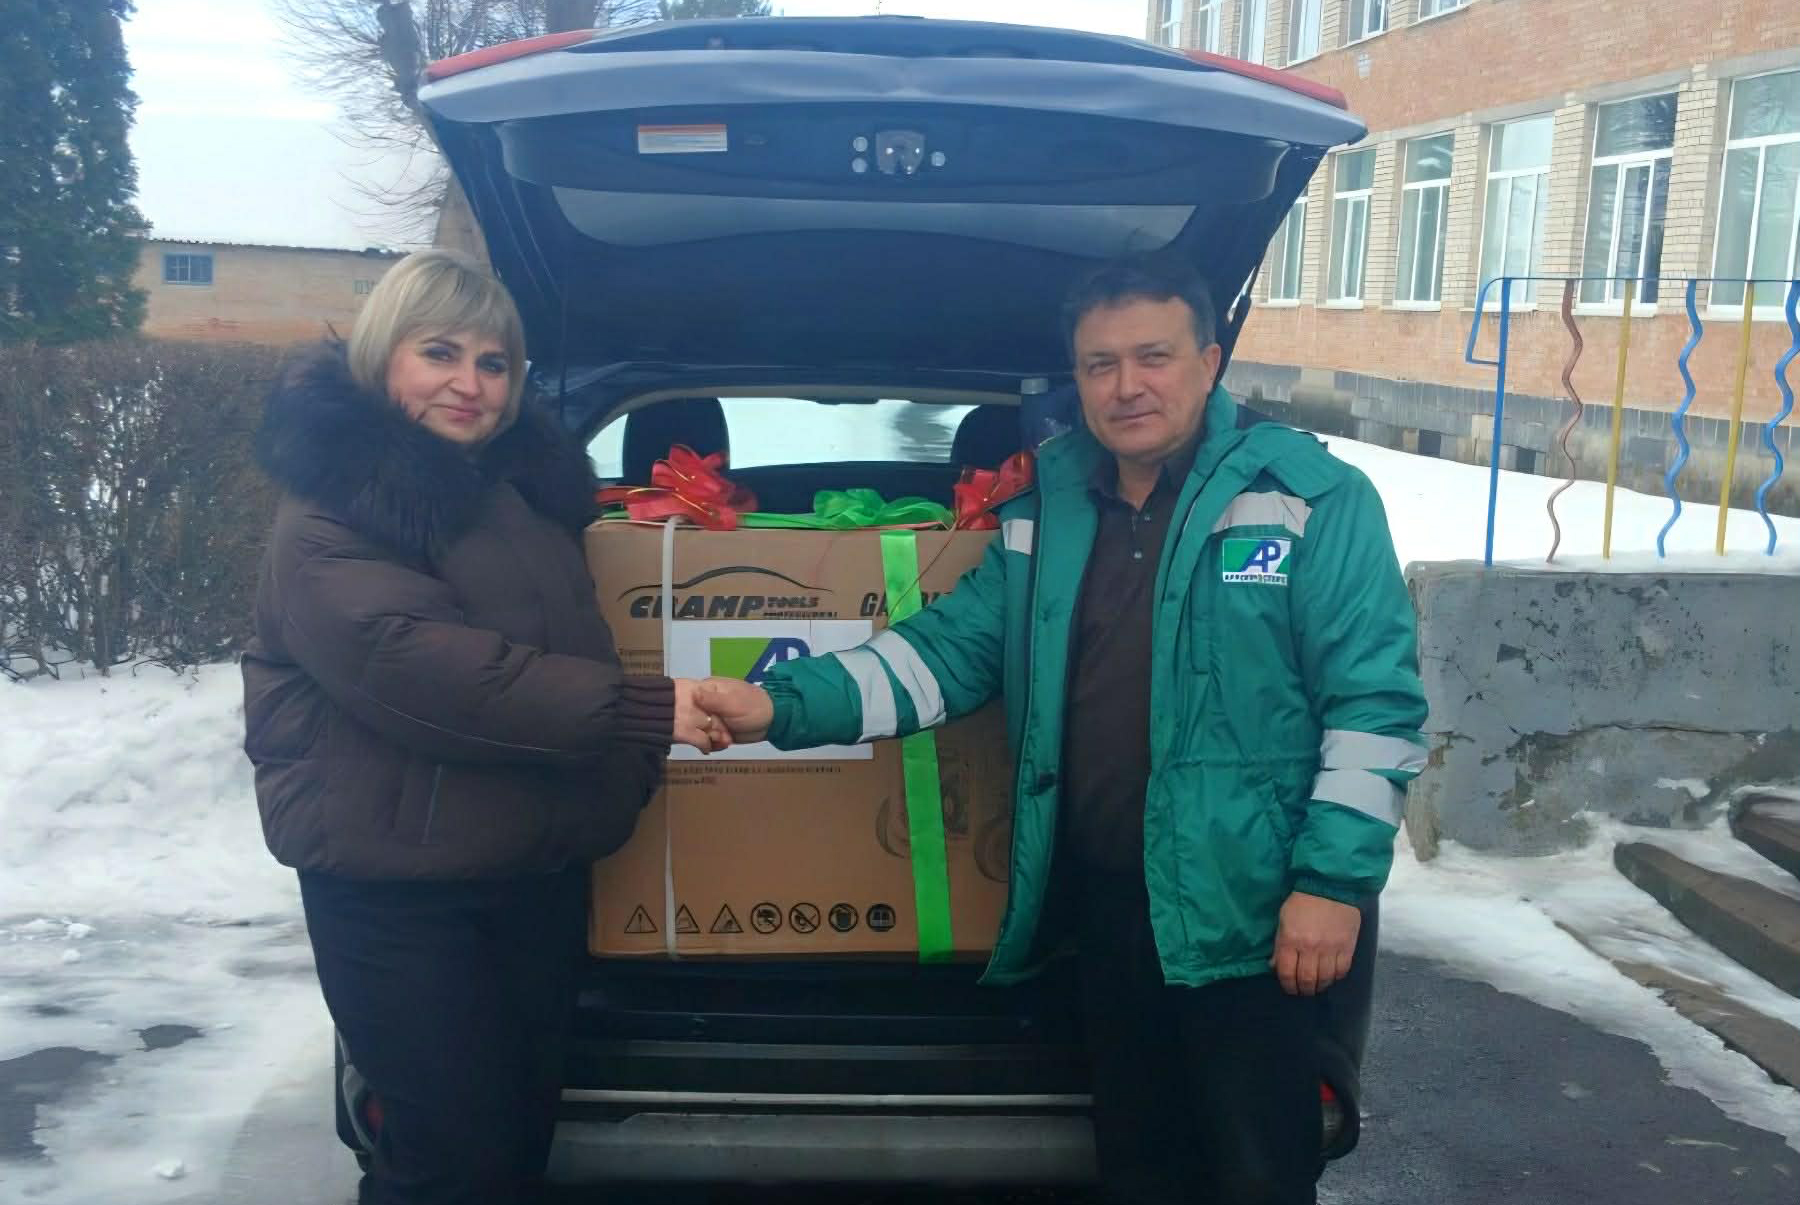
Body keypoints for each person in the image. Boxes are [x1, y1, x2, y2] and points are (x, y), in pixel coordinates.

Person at [696, 253, 1428, 1205]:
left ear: (1209, 362)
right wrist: (778, 704)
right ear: (1077, 379)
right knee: (1140, 1172)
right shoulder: (1051, 507)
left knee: (1257, 1176)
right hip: (1111, 916)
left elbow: (1374, 709)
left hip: (1254, 924)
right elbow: (942, 655)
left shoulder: (1312, 497)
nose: (1127, 386)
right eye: (1100, 364)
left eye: (1153, 356)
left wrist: (1329, 885)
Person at [240, 249, 724, 1205]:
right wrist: (640, 717)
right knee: (447, 1162)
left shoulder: (518, 499)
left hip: (527, 873)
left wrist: (614, 789)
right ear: (383, 354)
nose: (470, 383)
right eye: (441, 353)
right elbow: (425, 670)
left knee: (514, 1144)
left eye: (494, 363)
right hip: (399, 894)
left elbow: (572, 640)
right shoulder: (333, 511)